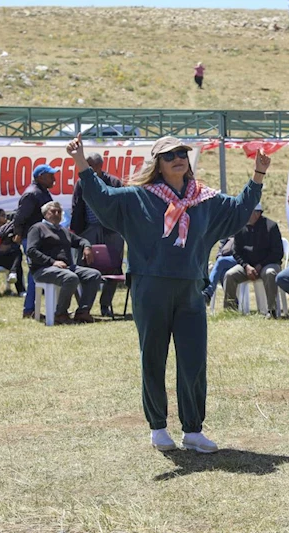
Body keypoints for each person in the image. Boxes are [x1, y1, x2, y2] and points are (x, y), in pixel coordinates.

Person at [66, 133, 268, 453]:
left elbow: (239, 210)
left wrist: (258, 174)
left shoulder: (204, 199)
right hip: (151, 287)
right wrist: (80, 162)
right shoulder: (138, 197)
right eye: (169, 154)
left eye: (182, 153)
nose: (178, 157)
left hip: (190, 289)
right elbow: (102, 197)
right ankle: (158, 427)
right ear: (157, 164)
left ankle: (193, 430)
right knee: (153, 357)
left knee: (193, 360)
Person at [27, 201, 101, 325]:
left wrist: (87, 247)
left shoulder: (63, 230)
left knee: (94, 275)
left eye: (59, 212)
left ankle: (82, 312)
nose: (57, 214)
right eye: (53, 211)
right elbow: (31, 251)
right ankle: (60, 314)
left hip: (67, 268)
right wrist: (52, 262)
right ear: (45, 214)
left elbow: (80, 240)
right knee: (70, 278)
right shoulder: (37, 228)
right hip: (43, 269)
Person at [71, 152, 125, 317]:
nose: (85, 167)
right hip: (88, 230)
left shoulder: (114, 182)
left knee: (114, 268)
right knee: (81, 266)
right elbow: (76, 207)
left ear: (99, 166)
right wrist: (77, 231)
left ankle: (105, 305)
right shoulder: (81, 183)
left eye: (89, 165)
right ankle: (84, 307)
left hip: (111, 230)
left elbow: (121, 205)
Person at [223, 203, 284, 317]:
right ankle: (230, 311)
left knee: (270, 273)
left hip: (268, 264)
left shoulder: (271, 226)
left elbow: (277, 252)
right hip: (248, 266)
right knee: (230, 275)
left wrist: (261, 264)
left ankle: (272, 310)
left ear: (257, 214)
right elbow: (236, 252)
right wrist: (246, 266)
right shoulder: (240, 227)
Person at [13, 164, 56, 318]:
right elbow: (19, 217)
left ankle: (39, 308)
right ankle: (29, 309)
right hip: (32, 241)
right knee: (35, 274)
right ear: (41, 177)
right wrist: (18, 233)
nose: (54, 178)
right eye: (51, 175)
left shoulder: (43, 192)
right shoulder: (32, 194)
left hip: (41, 240)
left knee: (38, 274)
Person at [201, 237, 237, 305]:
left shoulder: (242, 229)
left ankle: (207, 293)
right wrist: (219, 255)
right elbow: (222, 245)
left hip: (240, 258)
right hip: (227, 260)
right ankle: (233, 303)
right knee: (223, 273)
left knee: (220, 262)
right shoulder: (228, 230)